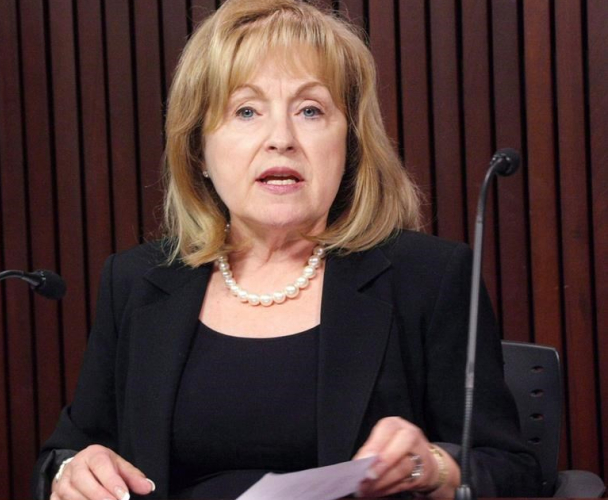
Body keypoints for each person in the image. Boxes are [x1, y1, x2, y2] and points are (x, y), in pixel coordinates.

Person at [33, 1, 541, 499]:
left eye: (311, 110)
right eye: (247, 110)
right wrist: (72, 471)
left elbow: (511, 469)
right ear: (199, 151)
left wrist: (430, 467)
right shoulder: (136, 282)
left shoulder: (428, 278)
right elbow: (64, 456)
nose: (281, 138)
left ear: (350, 145)